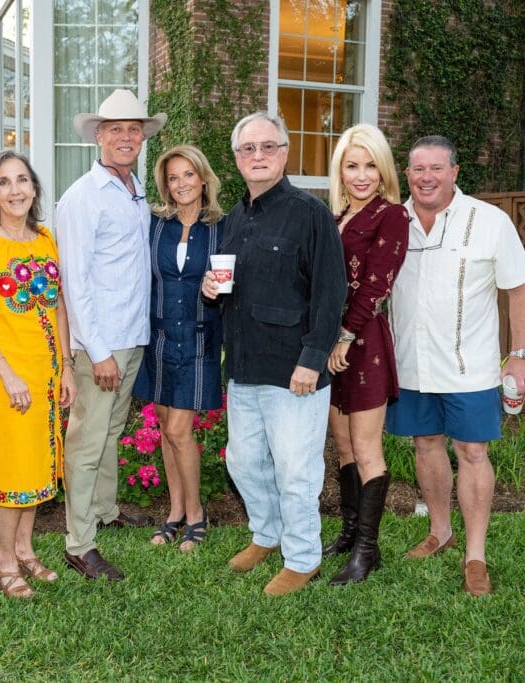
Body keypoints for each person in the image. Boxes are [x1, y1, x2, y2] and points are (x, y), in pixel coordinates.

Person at [202, 112, 346, 596]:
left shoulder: (310, 214)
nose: (257, 156)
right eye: (248, 149)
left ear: (284, 153)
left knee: (295, 469)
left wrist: (312, 357)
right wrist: (210, 290)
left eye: (268, 147)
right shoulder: (235, 219)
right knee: (243, 462)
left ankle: (303, 557)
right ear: (237, 158)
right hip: (244, 364)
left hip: (293, 369)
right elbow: (232, 289)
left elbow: (331, 292)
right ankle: (266, 534)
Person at [386, 135, 525, 596]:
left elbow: (520, 288)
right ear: (406, 174)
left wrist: (520, 353)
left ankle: (475, 555)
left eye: (436, 168)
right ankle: (440, 530)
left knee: (472, 452)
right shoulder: (393, 222)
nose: (426, 177)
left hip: (469, 366)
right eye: (417, 169)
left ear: (454, 172)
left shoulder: (489, 221)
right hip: (410, 364)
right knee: (425, 444)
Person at [56, 89, 167, 581]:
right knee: (86, 440)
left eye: (134, 129)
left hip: (131, 336)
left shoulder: (133, 187)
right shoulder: (82, 197)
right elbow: (74, 281)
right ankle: (79, 543)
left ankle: (104, 510)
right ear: (98, 135)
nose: (126, 136)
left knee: (111, 432)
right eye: (116, 129)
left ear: (142, 137)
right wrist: (97, 352)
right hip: (101, 343)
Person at [0, 151, 76, 599]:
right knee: (13, 465)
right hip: (3, 372)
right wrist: (6, 372)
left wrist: (65, 366)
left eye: (22, 179)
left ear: (34, 188)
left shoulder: (45, 238)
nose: (15, 190)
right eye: (4, 182)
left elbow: (57, 305)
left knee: (39, 463)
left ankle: (24, 548)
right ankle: (3, 558)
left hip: (45, 371)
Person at [323, 124, 409, 585]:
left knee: (366, 447)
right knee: (342, 444)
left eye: (370, 165)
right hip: (332, 342)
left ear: (383, 170)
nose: (361, 175)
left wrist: (343, 337)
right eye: (352, 165)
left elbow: (376, 285)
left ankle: (366, 553)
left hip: (363, 341)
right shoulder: (333, 215)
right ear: (340, 169)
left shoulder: (391, 216)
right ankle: (349, 532)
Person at [133, 145, 225, 551]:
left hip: (199, 336)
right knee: (166, 432)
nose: (181, 184)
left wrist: (217, 289)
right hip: (158, 337)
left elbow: (229, 280)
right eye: (173, 178)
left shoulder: (222, 226)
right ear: (165, 186)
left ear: (203, 178)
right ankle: (174, 511)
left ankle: (196, 514)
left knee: (178, 429)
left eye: (188, 175)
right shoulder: (155, 224)